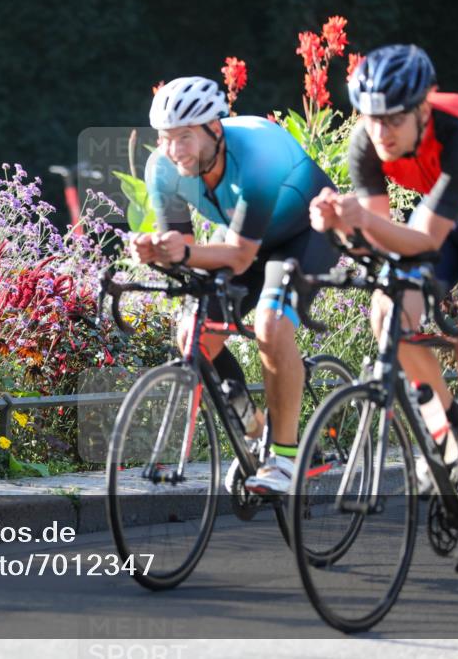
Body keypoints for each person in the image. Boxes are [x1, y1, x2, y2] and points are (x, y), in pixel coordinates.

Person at [309, 44, 458, 573]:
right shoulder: (365, 144)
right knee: (388, 314)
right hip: (445, 221)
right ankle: (451, 428)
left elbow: (418, 239)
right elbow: (385, 245)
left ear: (423, 108)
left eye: (394, 119)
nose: (381, 132)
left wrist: (359, 221)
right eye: (371, 119)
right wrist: (342, 224)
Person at [129, 76, 339, 495]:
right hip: (250, 242)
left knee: (272, 324)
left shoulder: (256, 155)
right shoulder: (162, 168)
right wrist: (157, 249)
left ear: (215, 129)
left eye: (185, 137)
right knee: (195, 335)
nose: (174, 150)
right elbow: (185, 249)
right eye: (166, 138)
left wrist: (182, 254)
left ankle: (285, 459)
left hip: (308, 234)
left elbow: (240, 257)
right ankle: (255, 427)